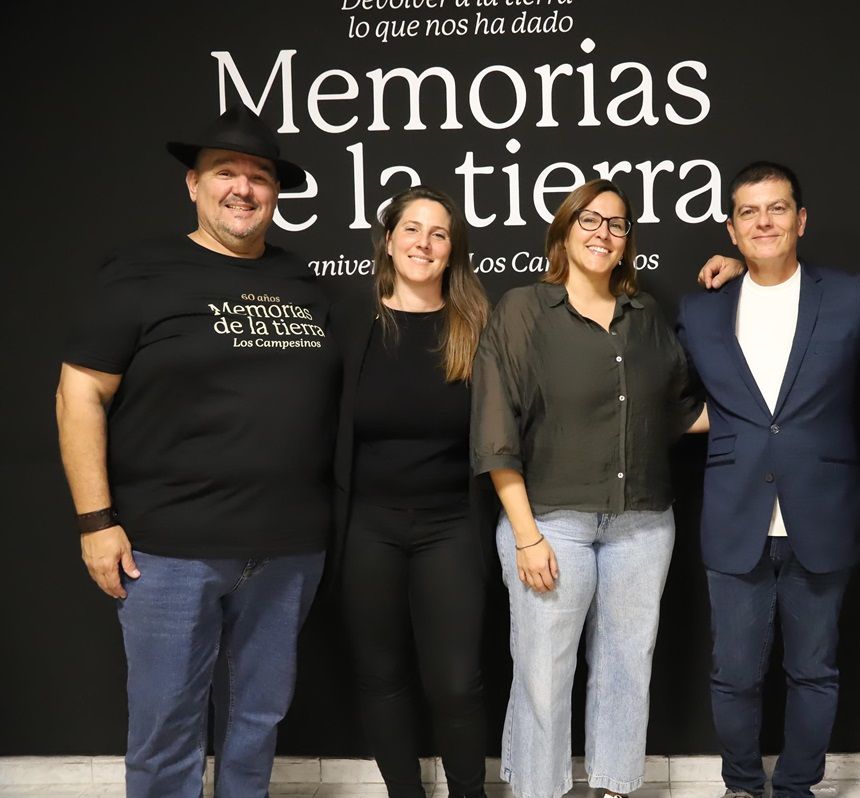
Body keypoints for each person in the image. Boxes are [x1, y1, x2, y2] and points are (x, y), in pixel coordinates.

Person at [55, 105, 337, 798]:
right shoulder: (142, 272)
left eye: (259, 176)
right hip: (168, 551)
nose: (243, 188)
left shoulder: (304, 284)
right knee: (166, 731)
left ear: (276, 192)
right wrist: (95, 521)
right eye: (225, 172)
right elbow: (79, 392)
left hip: (288, 550)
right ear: (193, 184)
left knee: (257, 722)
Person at [471, 179, 704, 798]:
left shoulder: (646, 316)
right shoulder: (523, 310)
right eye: (590, 220)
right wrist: (526, 536)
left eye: (617, 223)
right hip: (551, 524)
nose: (604, 233)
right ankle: (539, 790)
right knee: (543, 674)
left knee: (628, 666)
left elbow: (681, 411)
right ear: (565, 230)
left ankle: (614, 787)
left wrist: (772, 410)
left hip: (643, 523)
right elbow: (495, 433)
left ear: (628, 240)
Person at [677, 162, 860, 798]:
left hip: (823, 514)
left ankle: (796, 789)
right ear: (732, 229)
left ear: (801, 219)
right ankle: (742, 785)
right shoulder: (700, 311)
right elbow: (665, 399)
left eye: (777, 208)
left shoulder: (851, 295)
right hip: (736, 516)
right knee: (734, 675)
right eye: (749, 212)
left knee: (814, 672)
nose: (764, 221)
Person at [329, 186, 491, 798]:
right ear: (389, 240)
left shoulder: (478, 325)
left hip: (452, 525)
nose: (424, 243)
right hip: (367, 525)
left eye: (439, 233)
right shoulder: (352, 321)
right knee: (381, 675)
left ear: (453, 250)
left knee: (456, 682)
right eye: (412, 230)